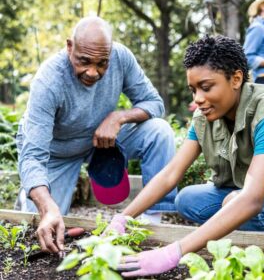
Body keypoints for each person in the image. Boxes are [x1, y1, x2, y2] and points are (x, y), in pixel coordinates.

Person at [106, 35, 264, 278]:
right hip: (252, 194)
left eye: (206, 87)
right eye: (193, 89)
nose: (197, 98)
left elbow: (252, 199)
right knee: (188, 199)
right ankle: (245, 235)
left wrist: (174, 252)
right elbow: (170, 175)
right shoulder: (205, 116)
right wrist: (123, 218)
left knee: (243, 203)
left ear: (236, 79)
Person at [16, 16, 176, 254]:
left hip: (102, 141)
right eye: (84, 61)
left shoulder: (121, 57)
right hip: (57, 153)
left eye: (102, 63)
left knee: (159, 131)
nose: (93, 72)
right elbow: (32, 156)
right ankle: (29, 202)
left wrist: (118, 117)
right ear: (70, 47)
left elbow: (154, 103)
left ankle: (153, 222)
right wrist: (47, 207)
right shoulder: (49, 81)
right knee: (35, 232)